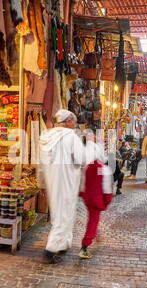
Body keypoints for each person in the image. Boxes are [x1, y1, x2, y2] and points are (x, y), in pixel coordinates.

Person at [39, 109, 95, 264]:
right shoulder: (70, 137)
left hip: (52, 181)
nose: (75, 124)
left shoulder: (46, 136)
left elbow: (41, 165)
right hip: (67, 181)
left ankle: (63, 244)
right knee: (63, 215)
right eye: (74, 122)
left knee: (61, 213)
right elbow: (81, 159)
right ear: (68, 122)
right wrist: (90, 145)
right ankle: (50, 250)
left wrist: (42, 183)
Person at [79, 142, 113, 259]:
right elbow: (107, 188)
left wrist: (82, 195)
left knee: (93, 218)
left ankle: (96, 234)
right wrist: (107, 201)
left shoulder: (86, 167)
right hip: (97, 200)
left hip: (87, 199)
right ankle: (85, 246)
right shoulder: (104, 169)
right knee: (93, 220)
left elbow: (82, 184)